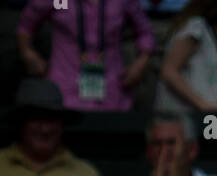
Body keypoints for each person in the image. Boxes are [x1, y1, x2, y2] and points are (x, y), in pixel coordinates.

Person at [16, 0, 155, 114]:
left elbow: (144, 31)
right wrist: (27, 52)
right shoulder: (62, 1)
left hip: (113, 88)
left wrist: (142, 61)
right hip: (64, 86)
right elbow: (27, 24)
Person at [155, 0, 217, 115]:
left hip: (207, 116)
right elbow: (169, 71)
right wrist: (202, 105)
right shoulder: (194, 26)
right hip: (187, 116)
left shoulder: (205, 30)